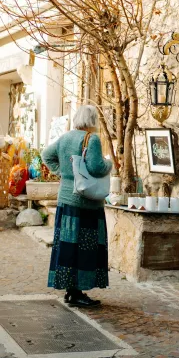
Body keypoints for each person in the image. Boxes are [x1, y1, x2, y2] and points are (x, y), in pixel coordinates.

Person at [42, 105, 112, 307]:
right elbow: (96, 167)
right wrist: (110, 165)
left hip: (66, 201)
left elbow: (46, 155)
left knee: (68, 247)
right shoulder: (92, 139)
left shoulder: (65, 138)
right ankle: (78, 293)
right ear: (93, 120)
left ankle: (71, 291)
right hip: (85, 204)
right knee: (85, 249)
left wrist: (62, 173)